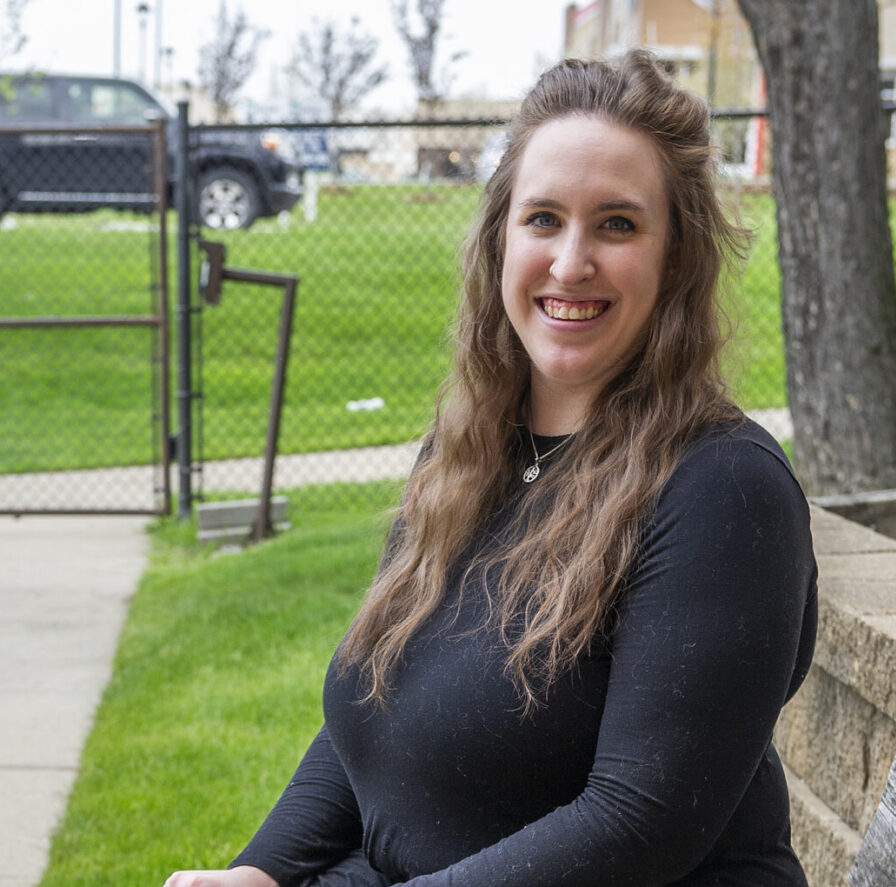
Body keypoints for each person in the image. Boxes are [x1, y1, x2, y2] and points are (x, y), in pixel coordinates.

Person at [165, 49, 817, 887]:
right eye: (543, 218)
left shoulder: (723, 490)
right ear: (500, 237)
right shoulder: (470, 453)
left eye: (617, 224)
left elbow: (639, 823)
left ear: (677, 258)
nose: (571, 261)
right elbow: (370, 710)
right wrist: (257, 872)